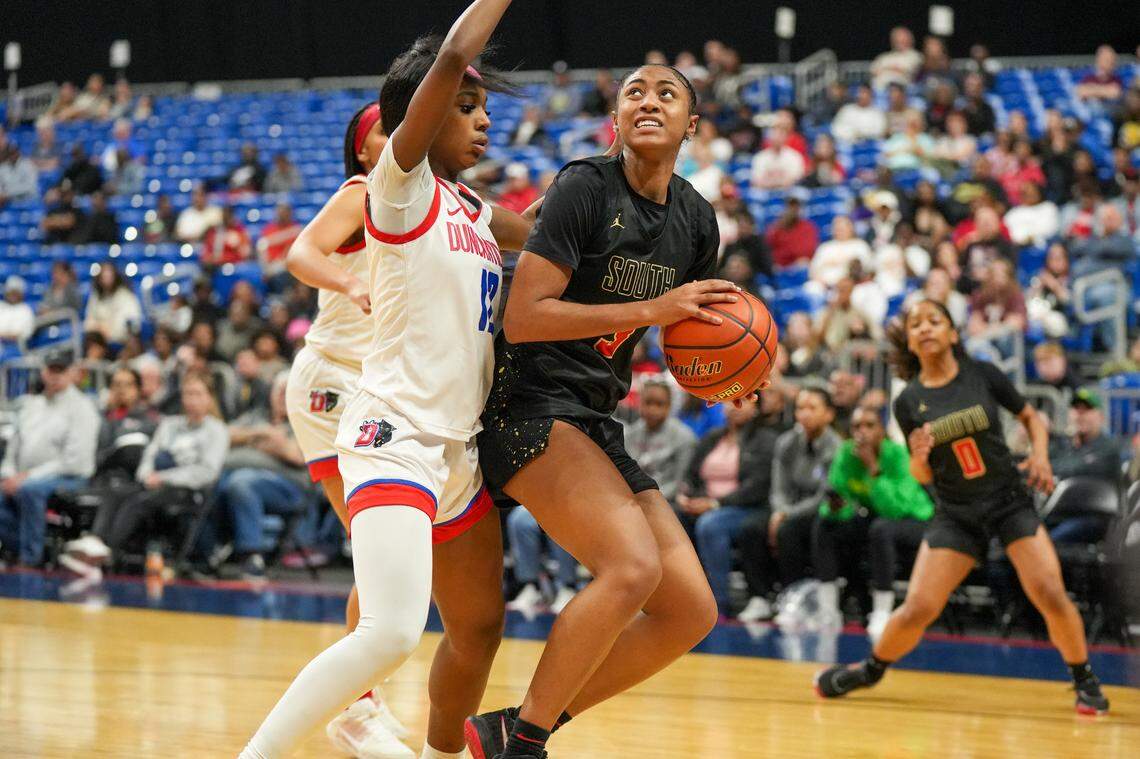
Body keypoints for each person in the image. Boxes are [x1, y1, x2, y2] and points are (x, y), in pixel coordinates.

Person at [241, 5, 538, 758]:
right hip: (394, 431)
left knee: (476, 624)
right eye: (466, 106)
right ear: (424, 114)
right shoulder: (398, 186)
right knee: (394, 628)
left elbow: (546, 234)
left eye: (482, 108)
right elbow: (448, 59)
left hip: (456, 452)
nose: (483, 122)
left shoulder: (472, 205)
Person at [466, 61, 735, 759]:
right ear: (615, 118)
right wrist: (655, 305)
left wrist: (735, 371)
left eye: (667, 93)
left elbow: (694, 334)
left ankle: (517, 727)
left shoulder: (697, 220)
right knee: (631, 567)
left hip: (592, 413)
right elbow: (523, 317)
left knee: (689, 609)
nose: (648, 101)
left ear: (692, 125)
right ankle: (524, 747)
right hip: (526, 401)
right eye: (634, 93)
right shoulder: (585, 186)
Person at [814, 299, 1110, 716]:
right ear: (911, 343)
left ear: (953, 333)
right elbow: (922, 476)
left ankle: (1084, 679)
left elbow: (1031, 418)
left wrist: (1041, 457)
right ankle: (871, 669)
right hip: (957, 512)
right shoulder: (909, 401)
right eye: (916, 324)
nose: (926, 328)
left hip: (1008, 501)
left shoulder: (983, 375)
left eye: (935, 320)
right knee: (918, 608)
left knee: (1049, 592)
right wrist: (918, 457)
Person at [813, 406, 933, 641]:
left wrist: (873, 468)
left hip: (916, 520)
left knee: (880, 529)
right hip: (877, 518)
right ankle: (828, 610)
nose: (862, 432)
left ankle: (882, 611)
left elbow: (895, 509)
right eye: (856, 426)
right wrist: (835, 508)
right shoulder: (847, 454)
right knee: (825, 523)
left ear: (882, 430)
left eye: (870, 425)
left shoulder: (897, 454)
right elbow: (841, 497)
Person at [735, 387, 840, 621]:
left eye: (812, 408)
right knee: (751, 528)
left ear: (829, 414)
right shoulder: (787, 442)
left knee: (788, 531)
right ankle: (759, 598)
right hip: (784, 510)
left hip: (817, 512)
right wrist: (780, 511)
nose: (804, 414)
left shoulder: (836, 447)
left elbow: (824, 496)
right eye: (801, 408)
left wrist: (786, 515)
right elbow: (778, 487)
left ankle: (792, 599)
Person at [678, 397, 779, 616]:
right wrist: (688, 496)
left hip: (747, 508)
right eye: (728, 402)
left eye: (741, 401)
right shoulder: (713, 437)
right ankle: (678, 595)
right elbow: (691, 475)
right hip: (706, 504)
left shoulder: (766, 440)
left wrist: (715, 504)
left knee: (711, 524)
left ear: (756, 406)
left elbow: (757, 487)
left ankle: (717, 602)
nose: (732, 407)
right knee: (671, 517)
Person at [0, 351, 100, 567]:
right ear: (43, 371)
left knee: (30, 490)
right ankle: (23, 548)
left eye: (60, 370)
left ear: (73, 373)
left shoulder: (82, 408)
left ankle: (30, 559)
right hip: (24, 476)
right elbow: (13, 447)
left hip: (69, 477)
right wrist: (8, 474)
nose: (55, 375)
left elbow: (73, 462)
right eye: (51, 369)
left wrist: (26, 477)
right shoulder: (30, 405)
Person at [217, 372, 316, 579]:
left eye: (288, 391)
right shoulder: (256, 418)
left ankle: (252, 555)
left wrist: (249, 441)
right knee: (212, 483)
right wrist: (262, 434)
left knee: (241, 482)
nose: (282, 396)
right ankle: (209, 551)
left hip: (289, 489)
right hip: (238, 478)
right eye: (279, 391)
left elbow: (297, 456)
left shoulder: (305, 421)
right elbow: (222, 435)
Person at [1046, 388, 1122, 545]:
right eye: (1076, 409)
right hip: (1056, 513)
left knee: (1046, 546)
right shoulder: (1061, 445)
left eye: (1087, 410)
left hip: (1093, 516)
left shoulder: (1109, 447)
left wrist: (1052, 469)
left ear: (1100, 416)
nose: (1080, 415)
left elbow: (1080, 468)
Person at [623, 379, 697, 506]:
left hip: (667, 500)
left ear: (669, 406)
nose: (652, 409)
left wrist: (649, 499)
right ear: (639, 403)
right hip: (631, 498)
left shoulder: (684, 437)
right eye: (647, 403)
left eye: (659, 404)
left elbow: (680, 482)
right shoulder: (629, 434)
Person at [84, 262, 142, 345]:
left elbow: (131, 322)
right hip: (97, 339)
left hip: (119, 342)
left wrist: (109, 332)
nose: (106, 279)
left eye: (109, 276)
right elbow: (89, 320)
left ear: (115, 276)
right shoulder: (96, 296)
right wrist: (98, 330)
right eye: (104, 277)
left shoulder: (125, 296)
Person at [764, 197, 819, 268]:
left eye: (795, 207)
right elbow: (768, 248)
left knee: (803, 262)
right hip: (780, 265)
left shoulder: (807, 226)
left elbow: (807, 251)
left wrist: (787, 253)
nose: (792, 210)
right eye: (789, 206)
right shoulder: (776, 227)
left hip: (798, 265)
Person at [0, 276, 35, 344]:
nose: (13, 295)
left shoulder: (26, 310)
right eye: (11, 292)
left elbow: (21, 335)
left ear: (21, 294)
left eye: (16, 292)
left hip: (15, 348)